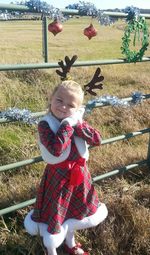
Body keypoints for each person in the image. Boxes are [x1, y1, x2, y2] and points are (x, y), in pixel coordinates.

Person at [24, 80, 108, 255]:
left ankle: (70, 243)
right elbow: (56, 150)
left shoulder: (75, 122)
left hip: (79, 176)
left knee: (71, 215)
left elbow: (97, 139)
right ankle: (51, 249)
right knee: (56, 214)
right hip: (58, 179)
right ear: (51, 98)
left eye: (71, 105)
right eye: (59, 100)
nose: (63, 107)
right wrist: (68, 125)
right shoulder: (45, 124)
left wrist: (78, 124)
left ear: (78, 108)